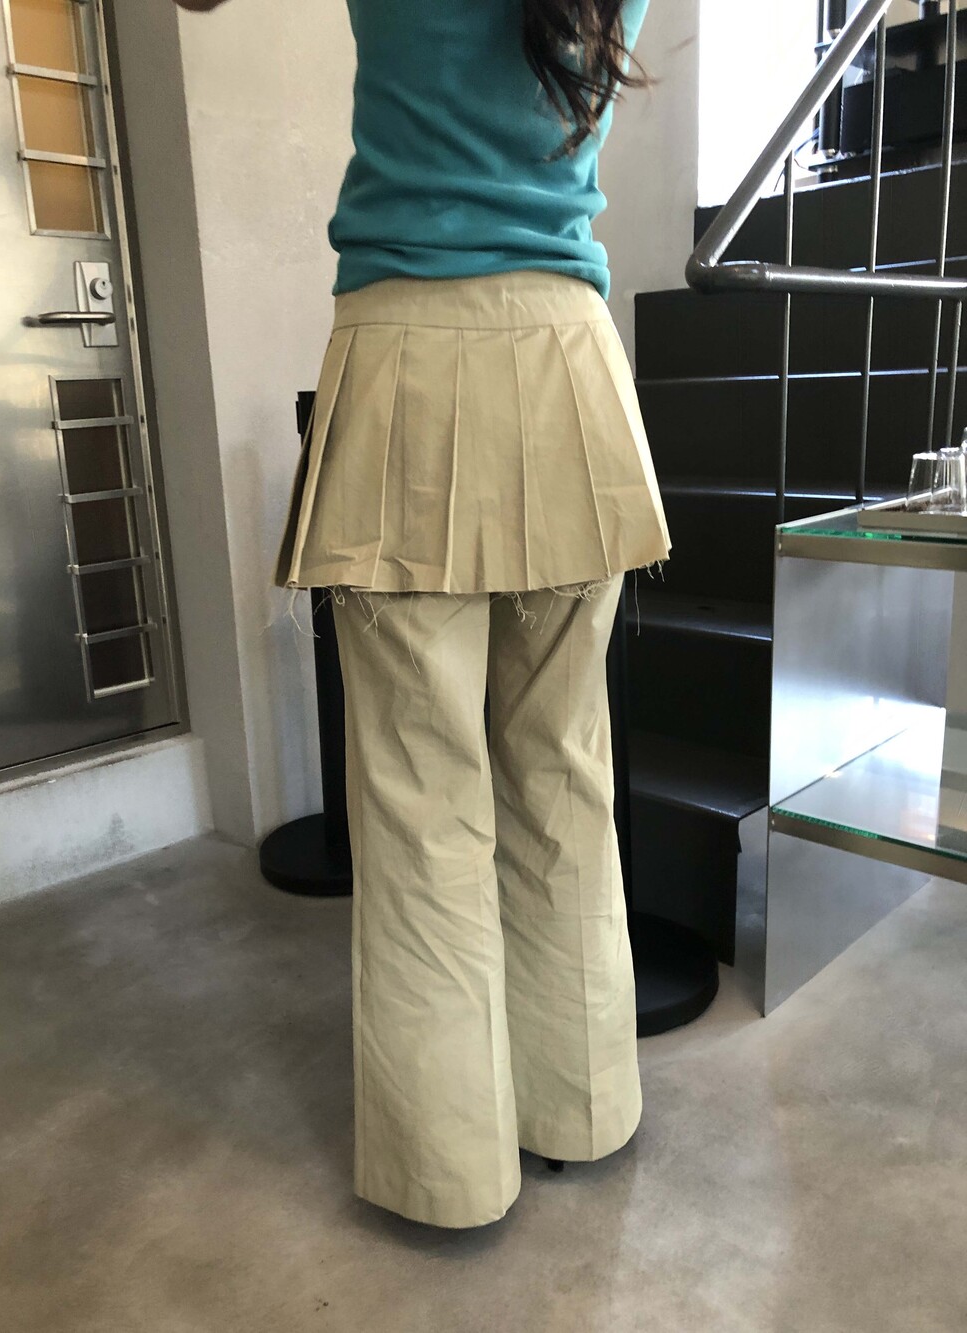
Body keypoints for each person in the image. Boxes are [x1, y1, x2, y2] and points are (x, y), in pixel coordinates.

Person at [174, 0, 671, 1229]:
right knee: (563, 768)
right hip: (567, 361)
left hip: (407, 355)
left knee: (417, 793)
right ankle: (581, 1109)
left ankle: (451, 1176)